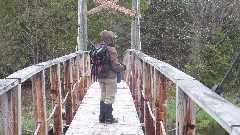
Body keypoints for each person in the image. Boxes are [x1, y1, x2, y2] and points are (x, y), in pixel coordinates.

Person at [98, 30, 126, 124]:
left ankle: (102, 118)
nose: (114, 39)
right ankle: (109, 118)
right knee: (110, 97)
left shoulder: (99, 47)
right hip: (110, 76)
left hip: (100, 76)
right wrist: (122, 67)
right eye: (113, 37)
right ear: (109, 38)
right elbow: (115, 66)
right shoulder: (111, 49)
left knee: (103, 95)